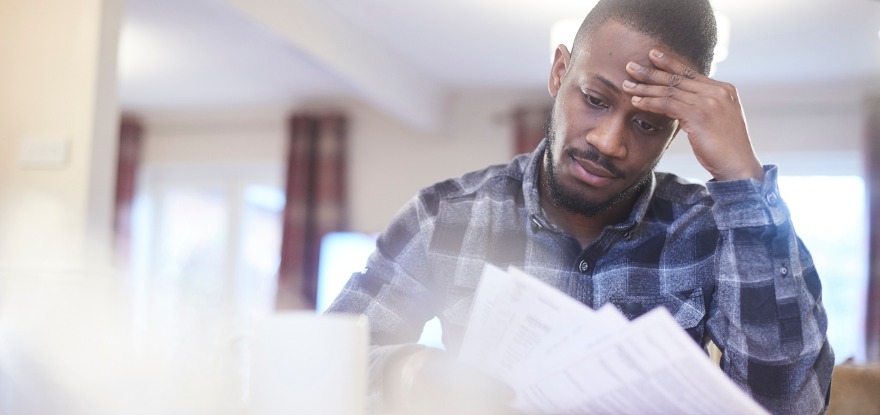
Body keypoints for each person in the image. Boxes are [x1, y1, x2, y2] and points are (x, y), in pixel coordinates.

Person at [327, 0, 835, 413]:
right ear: (559, 71)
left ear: (676, 128)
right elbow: (325, 363)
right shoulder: (446, 217)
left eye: (646, 124)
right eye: (595, 98)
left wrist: (742, 181)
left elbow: (790, 405)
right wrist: (406, 372)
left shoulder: (711, 233)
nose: (609, 141)